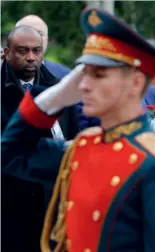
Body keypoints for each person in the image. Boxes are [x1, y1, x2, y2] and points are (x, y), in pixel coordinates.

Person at [2, 8, 155, 252]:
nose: (83, 85)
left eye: (98, 75)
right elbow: (10, 154)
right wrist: (50, 100)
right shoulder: (83, 148)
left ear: (136, 82)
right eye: (82, 75)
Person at [1, 25, 80, 252]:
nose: (31, 58)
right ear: (7, 53)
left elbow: (71, 134)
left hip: (52, 196)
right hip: (11, 198)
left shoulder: (57, 88)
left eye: (36, 51)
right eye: (22, 51)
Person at [16, 14, 98, 130]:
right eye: (27, 32)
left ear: (47, 40)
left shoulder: (67, 76)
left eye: (40, 34)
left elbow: (82, 119)